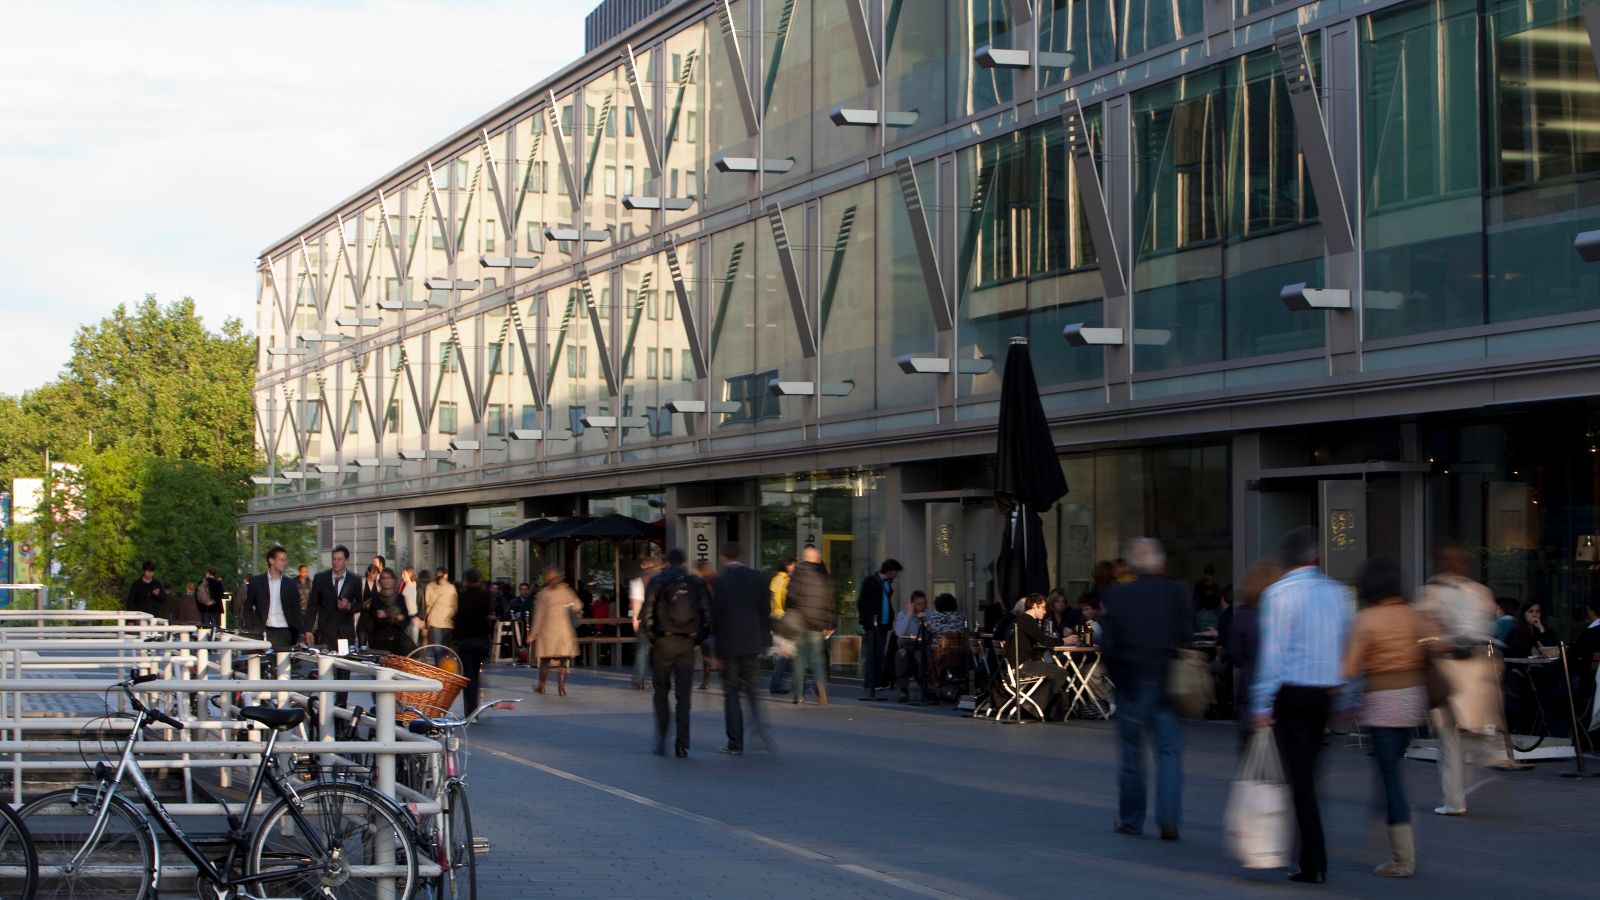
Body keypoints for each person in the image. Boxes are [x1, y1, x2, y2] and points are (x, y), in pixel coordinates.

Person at [1251, 526, 1352, 884]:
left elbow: (1272, 655)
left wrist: (1261, 702)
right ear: (1316, 557)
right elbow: (1347, 647)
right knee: (1308, 776)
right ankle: (1307, 854)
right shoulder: (1339, 594)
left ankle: (1311, 858)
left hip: (1291, 693)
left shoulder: (1278, 594)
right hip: (1325, 693)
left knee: (1299, 779)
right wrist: (1348, 693)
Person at [1098, 538, 1190, 840]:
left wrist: (1117, 675)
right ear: (1161, 564)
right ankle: (1169, 818)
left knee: (1132, 756)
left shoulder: (1117, 596)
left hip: (1131, 685)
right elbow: (1186, 637)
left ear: (1132, 566)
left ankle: (1132, 819)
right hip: (1166, 683)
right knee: (1168, 752)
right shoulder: (1176, 593)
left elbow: (1107, 645)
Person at [1341, 557, 1427, 878]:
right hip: (1413, 699)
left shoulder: (1366, 620)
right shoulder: (1413, 614)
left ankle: (1402, 856)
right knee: (1390, 768)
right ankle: (1390, 820)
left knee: (1390, 775)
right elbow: (1439, 643)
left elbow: (1349, 668)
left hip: (1381, 702)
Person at [1418, 537, 1504, 817]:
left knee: (1451, 738)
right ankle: (1462, 786)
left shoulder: (1431, 592)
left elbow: (1425, 631)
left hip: (1451, 670)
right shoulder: (1479, 592)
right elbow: (1485, 626)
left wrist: (1438, 641)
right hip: (1475, 669)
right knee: (1460, 733)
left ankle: (1455, 798)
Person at [643, 549, 713, 756]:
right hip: (687, 642)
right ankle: (682, 744)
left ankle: (662, 738)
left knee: (661, 691)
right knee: (684, 695)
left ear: (667, 562)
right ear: (683, 562)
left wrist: (653, 638)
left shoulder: (658, 581)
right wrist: (697, 639)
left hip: (664, 642)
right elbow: (708, 615)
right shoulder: (695, 583)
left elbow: (647, 613)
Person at [710, 543, 772, 755]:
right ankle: (759, 725)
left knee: (731, 693)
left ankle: (735, 743)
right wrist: (765, 642)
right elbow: (765, 611)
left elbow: (716, 617)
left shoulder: (719, 581)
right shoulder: (757, 577)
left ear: (723, 557)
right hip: (752, 642)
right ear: (742, 555)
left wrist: (716, 652)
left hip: (728, 644)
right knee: (752, 688)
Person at [1225, 560, 1277, 750]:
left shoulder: (1243, 617)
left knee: (1250, 752)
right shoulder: (1280, 614)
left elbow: (1234, 654)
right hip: (1280, 693)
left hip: (1250, 689)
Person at [1010, 593, 1075, 714]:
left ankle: (1033, 704)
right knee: (1061, 672)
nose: (1045, 612)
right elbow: (1045, 640)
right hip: (1022, 666)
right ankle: (1033, 706)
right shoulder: (1028, 620)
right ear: (1035, 606)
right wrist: (1065, 640)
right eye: (1043, 608)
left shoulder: (1019, 619)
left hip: (1014, 665)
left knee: (1048, 669)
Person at [788, 546, 835, 706]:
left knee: (799, 658)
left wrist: (790, 614)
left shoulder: (799, 572)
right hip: (818, 623)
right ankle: (821, 687)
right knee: (818, 658)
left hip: (800, 621)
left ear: (804, 558)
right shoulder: (824, 576)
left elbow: (791, 595)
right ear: (817, 559)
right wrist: (830, 623)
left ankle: (799, 695)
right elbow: (830, 601)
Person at [528, 567, 581, 696]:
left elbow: (538, 615)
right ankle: (561, 688)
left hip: (547, 630)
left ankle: (542, 686)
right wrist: (568, 606)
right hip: (563, 630)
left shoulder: (542, 593)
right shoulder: (566, 591)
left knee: (545, 660)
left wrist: (533, 633)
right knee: (563, 660)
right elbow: (578, 606)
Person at [856, 559, 903, 699]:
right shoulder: (871, 581)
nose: (897, 575)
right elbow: (862, 601)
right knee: (872, 653)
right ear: (889, 570)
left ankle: (877, 681)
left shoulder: (887, 583)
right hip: (873, 623)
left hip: (883, 623)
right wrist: (867, 619)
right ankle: (870, 682)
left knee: (879, 652)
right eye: (895, 572)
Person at [245, 546, 304, 651]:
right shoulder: (256, 582)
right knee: (258, 665)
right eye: (281, 560)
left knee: (281, 665)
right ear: (271, 561)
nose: (285, 563)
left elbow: (296, 610)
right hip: (261, 632)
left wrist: (300, 632)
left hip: (284, 633)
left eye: (286, 560)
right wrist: (251, 627)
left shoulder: (290, 584)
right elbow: (247, 607)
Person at [455, 569, 496, 711]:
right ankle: (474, 707)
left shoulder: (462, 596)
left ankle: (470, 709)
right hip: (480, 639)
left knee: (468, 676)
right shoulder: (486, 595)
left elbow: (458, 618)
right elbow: (489, 615)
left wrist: (455, 638)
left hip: (466, 639)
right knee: (476, 675)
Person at [309, 545, 362, 649]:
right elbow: (312, 605)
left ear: (346, 561)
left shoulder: (355, 580)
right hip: (325, 632)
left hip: (345, 632)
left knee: (343, 664)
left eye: (339, 559)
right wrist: (308, 629)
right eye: (334, 559)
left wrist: (349, 606)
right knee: (326, 663)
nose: (335, 562)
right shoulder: (320, 578)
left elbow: (360, 604)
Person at [891, 591, 932, 703]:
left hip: (922, 645)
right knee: (901, 655)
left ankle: (926, 686)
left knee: (922, 656)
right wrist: (909, 614)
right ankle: (903, 689)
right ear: (912, 603)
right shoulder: (903, 614)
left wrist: (925, 620)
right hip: (907, 644)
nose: (922, 606)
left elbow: (934, 631)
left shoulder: (928, 614)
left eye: (924, 603)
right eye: (918, 604)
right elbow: (899, 632)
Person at [630, 555, 664, 690]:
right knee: (661, 650)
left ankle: (639, 679)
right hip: (662, 619)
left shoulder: (638, 581)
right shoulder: (665, 579)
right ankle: (660, 678)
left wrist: (634, 618)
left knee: (642, 650)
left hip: (645, 619)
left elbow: (636, 602)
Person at [366, 568, 415, 654]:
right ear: (380, 581)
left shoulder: (400, 598)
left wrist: (387, 615)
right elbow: (375, 619)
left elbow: (405, 619)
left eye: (389, 578)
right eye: (384, 578)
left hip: (398, 642)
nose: (386, 581)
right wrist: (396, 617)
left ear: (393, 579)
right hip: (380, 642)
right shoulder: (376, 598)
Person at [768, 557, 796, 695]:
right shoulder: (786, 581)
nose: (794, 568)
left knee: (785, 653)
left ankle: (778, 684)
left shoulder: (774, 579)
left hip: (775, 618)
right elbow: (786, 600)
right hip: (785, 619)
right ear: (788, 566)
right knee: (785, 654)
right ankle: (776, 685)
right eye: (793, 565)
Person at [422, 567, 458, 664]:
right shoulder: (451, 588)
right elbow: (455, 606)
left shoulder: (430, 586)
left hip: (434, 621)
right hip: (447, 621)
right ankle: (443, 668)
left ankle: (439, 668)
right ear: (446, 575)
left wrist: (425, 622)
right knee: (444, 647)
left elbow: (427, 604)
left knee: (437, 648)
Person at [400, 566, 422, 644]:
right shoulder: (402, 586)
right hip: (404, 618)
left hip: (415, 617)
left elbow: (422, 603)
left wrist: (420, 618)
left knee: (414, 641)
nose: (402, 576)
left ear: (410, 574)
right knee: (405, 641)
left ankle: (415, 656)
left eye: (404, 574)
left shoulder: (418, 586)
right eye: (402, 574)